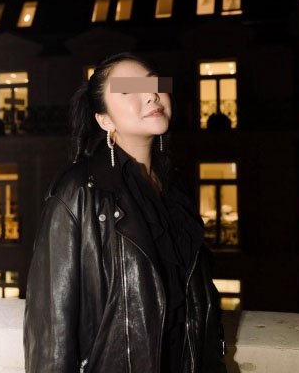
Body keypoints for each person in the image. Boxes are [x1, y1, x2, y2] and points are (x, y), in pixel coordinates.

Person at [23, 52, 227, 373]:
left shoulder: (175, 190)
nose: (152, 95)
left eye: (155, 83)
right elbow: (51, 332)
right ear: (105, 120)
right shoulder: (78, 191)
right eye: (128, 90)